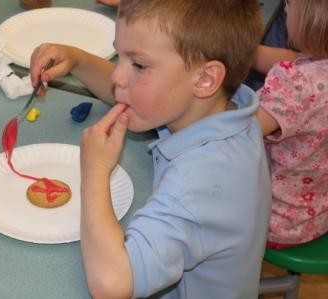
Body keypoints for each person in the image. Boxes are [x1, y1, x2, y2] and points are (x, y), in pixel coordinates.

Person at [30, 0, 271, 298]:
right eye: (120, 56)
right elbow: (135, 92)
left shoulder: (199, 181)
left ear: (206, 79)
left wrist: (95, 169)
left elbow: (111, 284)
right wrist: (79, 60)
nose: (119, 77)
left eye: (139, 65)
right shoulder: (220, 109)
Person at [254, 0, 328, 249]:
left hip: (275, 221)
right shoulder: (314, 72)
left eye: (290, 3)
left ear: (313, 19)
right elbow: (295, 60)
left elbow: (238, 132)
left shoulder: (297, 85)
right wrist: (246, 52)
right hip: (316, 212)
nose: (285, 6)